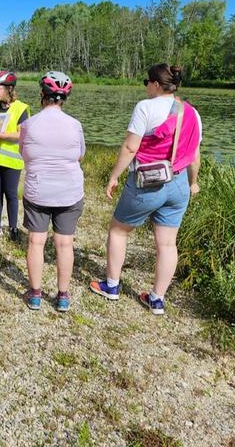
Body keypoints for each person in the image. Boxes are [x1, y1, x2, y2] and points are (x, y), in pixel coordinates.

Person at [89, 64, 202, 315]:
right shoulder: (192, 112)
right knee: (167, 244)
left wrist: (114, 176)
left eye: (146, 82)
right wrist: (193, 182)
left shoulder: (145, 107)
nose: (146, 87)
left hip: (147, 183)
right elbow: (194, 155)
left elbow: (130, 148)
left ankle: (112, 285)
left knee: (119, 230)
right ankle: (156, 300)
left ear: (155, 84)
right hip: (179, 183)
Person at [19, 71, 85, 312]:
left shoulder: (28, 124)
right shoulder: (75, 125)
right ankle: (63, 296)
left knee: (36, 241)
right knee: (64, 244)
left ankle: (35, 295)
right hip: (69, 191)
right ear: (64, 98)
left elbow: (23, 154)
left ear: (42, 95)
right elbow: (80, 155)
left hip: (38, 190)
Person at [0, 71, 30, 241]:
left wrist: (2, 136)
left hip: (11, 160)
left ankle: (13, 228)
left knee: (10, 194)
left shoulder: (21, 108)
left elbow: (22, 135)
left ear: (9, 88)